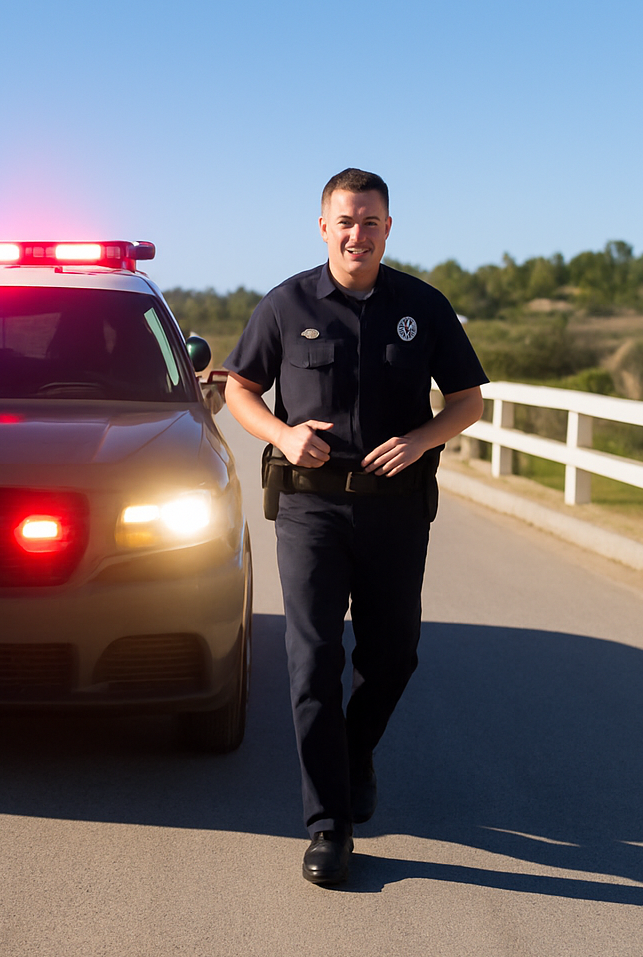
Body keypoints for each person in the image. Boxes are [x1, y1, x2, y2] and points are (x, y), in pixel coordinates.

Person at [222, 169, 487, 885]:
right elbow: (238, 387)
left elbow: (468, 400)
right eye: (345, 220)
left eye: (370, 222)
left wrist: (423, 439)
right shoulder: (285, 304)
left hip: (396, 506)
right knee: (312, 663)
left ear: (388, 229)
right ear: (323, 227)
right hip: (310, 506)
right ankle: (329, 826)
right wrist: (279, 434)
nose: (357, 234)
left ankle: (354, 749)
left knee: (394, 653)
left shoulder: (422, 307)